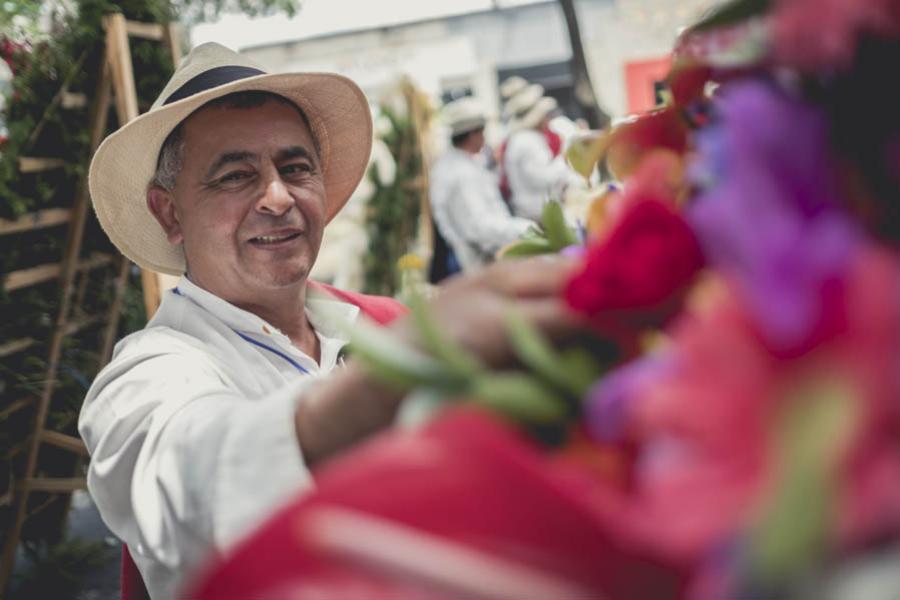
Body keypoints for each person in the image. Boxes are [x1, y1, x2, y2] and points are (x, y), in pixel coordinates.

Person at [80, 43, 577, 599]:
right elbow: (186, 480)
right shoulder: (150, 372)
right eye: (235, 176)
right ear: (169, 211)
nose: (276, 196)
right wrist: (389, 383)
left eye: (295, 168)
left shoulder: (383, 322)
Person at [429, 97, 533, 273]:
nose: (484, 137)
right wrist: (524, 229)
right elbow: (479, 227)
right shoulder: (461, 173)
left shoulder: (458, 164)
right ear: (472, 135)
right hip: (480, 264)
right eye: (482, 131)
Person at [503, 85, 573, 221]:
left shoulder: (526, 139)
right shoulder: (527, 142)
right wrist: (564, 158)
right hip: (536, 213)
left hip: (539, 210)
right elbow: (543, 178)